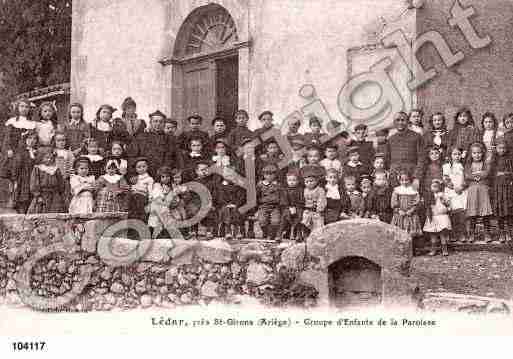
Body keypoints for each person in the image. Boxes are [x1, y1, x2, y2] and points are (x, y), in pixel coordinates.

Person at [127, 110, 177, 177]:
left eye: (161, 122)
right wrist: (132, 174)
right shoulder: (140, 137)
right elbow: (132, 157)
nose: (158, 124)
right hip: (144, 174)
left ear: (164, 124)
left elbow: (174, 158)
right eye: (155, 121)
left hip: (163, 175)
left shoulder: (170, 139)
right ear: (150, 122)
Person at [386, 111, 424, 189]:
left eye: (403, 120)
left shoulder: (416, 137)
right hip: (395, 177)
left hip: (411, 176)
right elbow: (388, 160)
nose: (400, 122)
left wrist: (417, 178)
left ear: (407, 122)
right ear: (394, 122)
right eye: (397, 120)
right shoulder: (391, 139)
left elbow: (421, 158)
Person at [464, 142, 493, 242]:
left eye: (479, 153)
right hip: (472, 190)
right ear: (471, 154)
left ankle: (487, 233)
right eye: (474, 153)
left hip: (483, 190)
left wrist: (477, 175)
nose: (477, 155)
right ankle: (472, 234)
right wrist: (476, 175)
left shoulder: (485, 163)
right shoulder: (468, 164)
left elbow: (487, 173)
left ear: (483, 153)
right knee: (473, 212)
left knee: (485, 212)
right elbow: (467, 175)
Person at [1, 99, 37, 179]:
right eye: (22, 106)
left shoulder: (32, 123)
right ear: (17, 108)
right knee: (14, 169)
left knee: (26, 172)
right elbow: (7, 138)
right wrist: (8, 149)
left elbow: (33, 138)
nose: (24, 109)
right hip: (14, 150)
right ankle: (13, 187)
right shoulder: (12, 121)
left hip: (26, 150)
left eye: (26, 107)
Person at [27, 148, 65, 214]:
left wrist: (60, 194)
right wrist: (38, 196)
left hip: (55, 196)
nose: (49, 159)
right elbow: (34, 183)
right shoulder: (38, 168)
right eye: (47, 158)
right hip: (42, 195)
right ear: (41, 158)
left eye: (51, 158)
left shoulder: (56, 169)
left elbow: (61, 183)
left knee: (55, 213)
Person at [443, 147, 467, 242]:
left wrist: (462, 187)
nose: (457, 156)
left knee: (461, 213)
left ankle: (462, 234)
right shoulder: (447, 166)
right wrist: (453, 187)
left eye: (459, 154)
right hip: (451, 191)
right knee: (452, 212)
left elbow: (466, 178)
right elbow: (446, 179)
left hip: (461, 191)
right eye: (454, 154)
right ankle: (453, 234)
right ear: (450, 155)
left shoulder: (463, 165)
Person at [491, 139, 513, 242]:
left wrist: (505, 174)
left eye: (504, 148)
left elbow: (511, 172)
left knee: (508, 210)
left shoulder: (509, 159)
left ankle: (509, 231)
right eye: (500, 148)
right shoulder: (494, 160)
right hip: (497, 189)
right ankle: (501, 232)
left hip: (507, 188)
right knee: (500, 210)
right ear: (496, 149)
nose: (502, 150)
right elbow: (491, 173)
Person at [11, 130, 38, 213]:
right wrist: (15, 181)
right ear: (25, 140)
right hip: (23, 180)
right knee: (23, 202)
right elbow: (15, 168)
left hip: (34, 180)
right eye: (29, 138)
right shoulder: (21, 152)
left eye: (34, 139)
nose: (32, 141)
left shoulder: (37, 153)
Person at [423, 179, 452, 256]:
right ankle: (433, 249)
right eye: (433, 187)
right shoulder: (429, 196)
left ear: (439, 187)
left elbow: (448, 204)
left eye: (436, 187)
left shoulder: (442, 195)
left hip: (441, 216)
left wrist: (445, 203)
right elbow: (426, 205)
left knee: (442, 234)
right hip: (433, 216)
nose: (434, 188)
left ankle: (444, 249)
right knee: (433, 234)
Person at [390, 171, 422, 236]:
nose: (404, 182)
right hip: (400, 215)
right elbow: (393, 203)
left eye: (406, 180)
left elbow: (417, 202)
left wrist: (411, 210)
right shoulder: (397, 190)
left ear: (410, 180)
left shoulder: (414, 190)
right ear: (399, 180)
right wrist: (399, 210)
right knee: (399, 233)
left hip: (410, 214)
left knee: (410, 232)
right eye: (402, 180)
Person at [256, 164, 282, 241]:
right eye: (267, 174)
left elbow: (281, 196)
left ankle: (272, 235)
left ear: (275, 175)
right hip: (263, 206)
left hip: (275, 207)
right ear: (263, 175)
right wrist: (256, 209)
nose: (269, 176)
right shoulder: (260, 185)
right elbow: (256, 197)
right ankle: (266, 233)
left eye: (272, 174)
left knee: (275, 221)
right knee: (262, 221)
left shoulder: (278, 185)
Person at [279, 170, 304, 241]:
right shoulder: (285, 190)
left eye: (294, 180)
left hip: (298, 207)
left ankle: (298, 234)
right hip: (288, 207)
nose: (292, 182)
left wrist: (296, 207)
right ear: (287, 181)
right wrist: (290, 207)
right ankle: (279, 233)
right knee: (285, 215)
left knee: (299, 216)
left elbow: (301, 200)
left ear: (298, 181)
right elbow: (284, 201)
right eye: (290, 180)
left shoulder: (300, 190)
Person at [301, 166, 326, 236]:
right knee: (305, 221)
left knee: (318, 223)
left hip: (316, 211)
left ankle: (318, 236)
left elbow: (322, 200)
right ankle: (305, 235)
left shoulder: (320, 190)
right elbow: (302, 200)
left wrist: (319, 208)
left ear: (316, 181)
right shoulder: (304, 190)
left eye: (311, 181)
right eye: (307, 182)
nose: (309, 183)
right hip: (307, 210)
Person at [128, 157, 154, 223]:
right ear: (136, 169)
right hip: (133, 198)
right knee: (133, 213)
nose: (142, 169)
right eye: (139, 167)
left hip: (142, 198)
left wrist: (150, 199)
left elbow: (150, 190)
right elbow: (132, 188)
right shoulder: (135, 178)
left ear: (147, 167)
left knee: (142, 214)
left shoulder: (149, 179)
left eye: (144, 166)